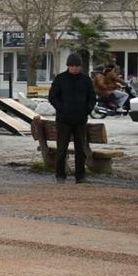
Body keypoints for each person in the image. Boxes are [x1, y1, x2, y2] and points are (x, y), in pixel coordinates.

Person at [48, 52, 96, 183]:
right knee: (62, 149)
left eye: (77, 66)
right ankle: (60, 176)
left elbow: (92, 97)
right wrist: (61, 108)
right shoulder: (60, 79)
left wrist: (87, 109)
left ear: (80, 66)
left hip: (80, 120)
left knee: (80, 150)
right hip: (64, 120)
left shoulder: (86, 80)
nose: (74, 68)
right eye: (72, 66)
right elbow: (52, 96)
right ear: (68, 66)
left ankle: (80, 176)